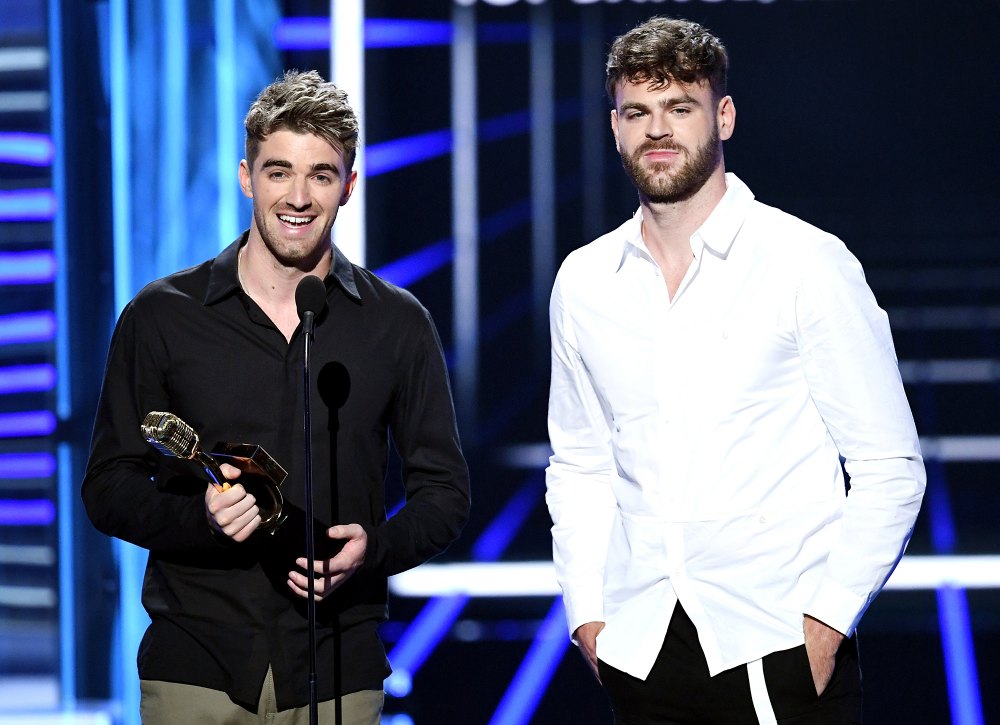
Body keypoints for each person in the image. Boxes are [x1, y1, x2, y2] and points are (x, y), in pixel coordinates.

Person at [545, 16, 925, 724]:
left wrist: (825, 627)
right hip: (639, 650)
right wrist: (588, 617)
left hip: (777, 648)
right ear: (615, 127)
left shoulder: (805, 263)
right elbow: (580, 463)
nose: (658, 130)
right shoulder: (585, 281)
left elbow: (889, 466)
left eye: (679, 108)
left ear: (723, 116)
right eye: (638, 112)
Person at [82, 69, 470, 724]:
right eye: (278, 171)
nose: (298, 195)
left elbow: (446, 493)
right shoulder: (162, 316)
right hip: (196, 669)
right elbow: (109, 484)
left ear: (349, 184)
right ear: (246, 176)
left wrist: (372, 549)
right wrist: (198, 521)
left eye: (321, 174)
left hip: (340, 668)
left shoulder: (396, 323)